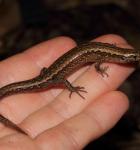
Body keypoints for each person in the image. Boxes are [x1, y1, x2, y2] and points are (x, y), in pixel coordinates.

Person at [0, 34, 132, 149]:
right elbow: (96, 66)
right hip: (51, 78)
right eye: (132, 57)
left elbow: (99, 60)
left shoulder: (105, 54)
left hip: (47, 75)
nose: (134, 59)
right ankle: (70, 87)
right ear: (121, 57)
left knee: (49, 74)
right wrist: (72, 88)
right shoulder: (105, 55)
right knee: (61, 80)